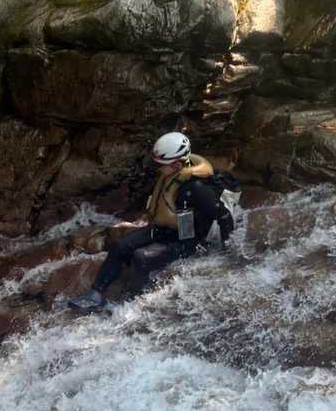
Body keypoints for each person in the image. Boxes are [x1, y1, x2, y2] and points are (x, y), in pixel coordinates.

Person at [69, 132, 235, 312]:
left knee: (142, 258)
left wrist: (227, 249)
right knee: (121, 245)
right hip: (167, 229)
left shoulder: (196, 188)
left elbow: (223, 216)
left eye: (160, 165)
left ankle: (129, 304)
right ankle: (95, 295)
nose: (158, 169)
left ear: (177, 164)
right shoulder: (172, 175)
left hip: (189, 239)